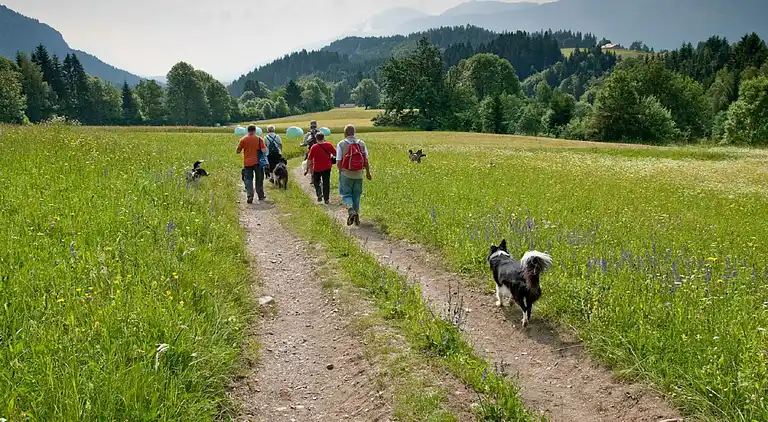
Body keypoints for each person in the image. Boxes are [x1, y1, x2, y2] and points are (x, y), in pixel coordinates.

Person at [336, 124, 372, 226]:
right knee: (356, 196)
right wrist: (368, 173)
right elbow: (366, 160)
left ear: (345, 133)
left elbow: (338, 161)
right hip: (359, 174)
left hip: (346, 174)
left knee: (346, 194)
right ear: (354, 132)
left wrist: (340, 170)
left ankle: (351, 211)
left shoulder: (341, 144)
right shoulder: (361, 143)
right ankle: (356, 217)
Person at [237, 125, 268, 203]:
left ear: (248, 130)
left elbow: (238, 151)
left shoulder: (243, 139)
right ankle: (260, 195)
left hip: (247, 163)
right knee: (259, 178)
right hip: (258, 162)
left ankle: (250, 195)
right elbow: (264, 150)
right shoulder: (259, 139)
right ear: (255, 130)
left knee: (248, 179)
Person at [306, 132, 335, 205]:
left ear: (316, 138)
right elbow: (336, 154)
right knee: (326, 182)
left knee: (316, 182)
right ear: (324, 137)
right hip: (327, 167)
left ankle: (319, 194)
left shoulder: (314, 147)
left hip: (317, 168)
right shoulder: (329, 145)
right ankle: (326, 199)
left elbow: (309, 159)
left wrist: (308, 169)